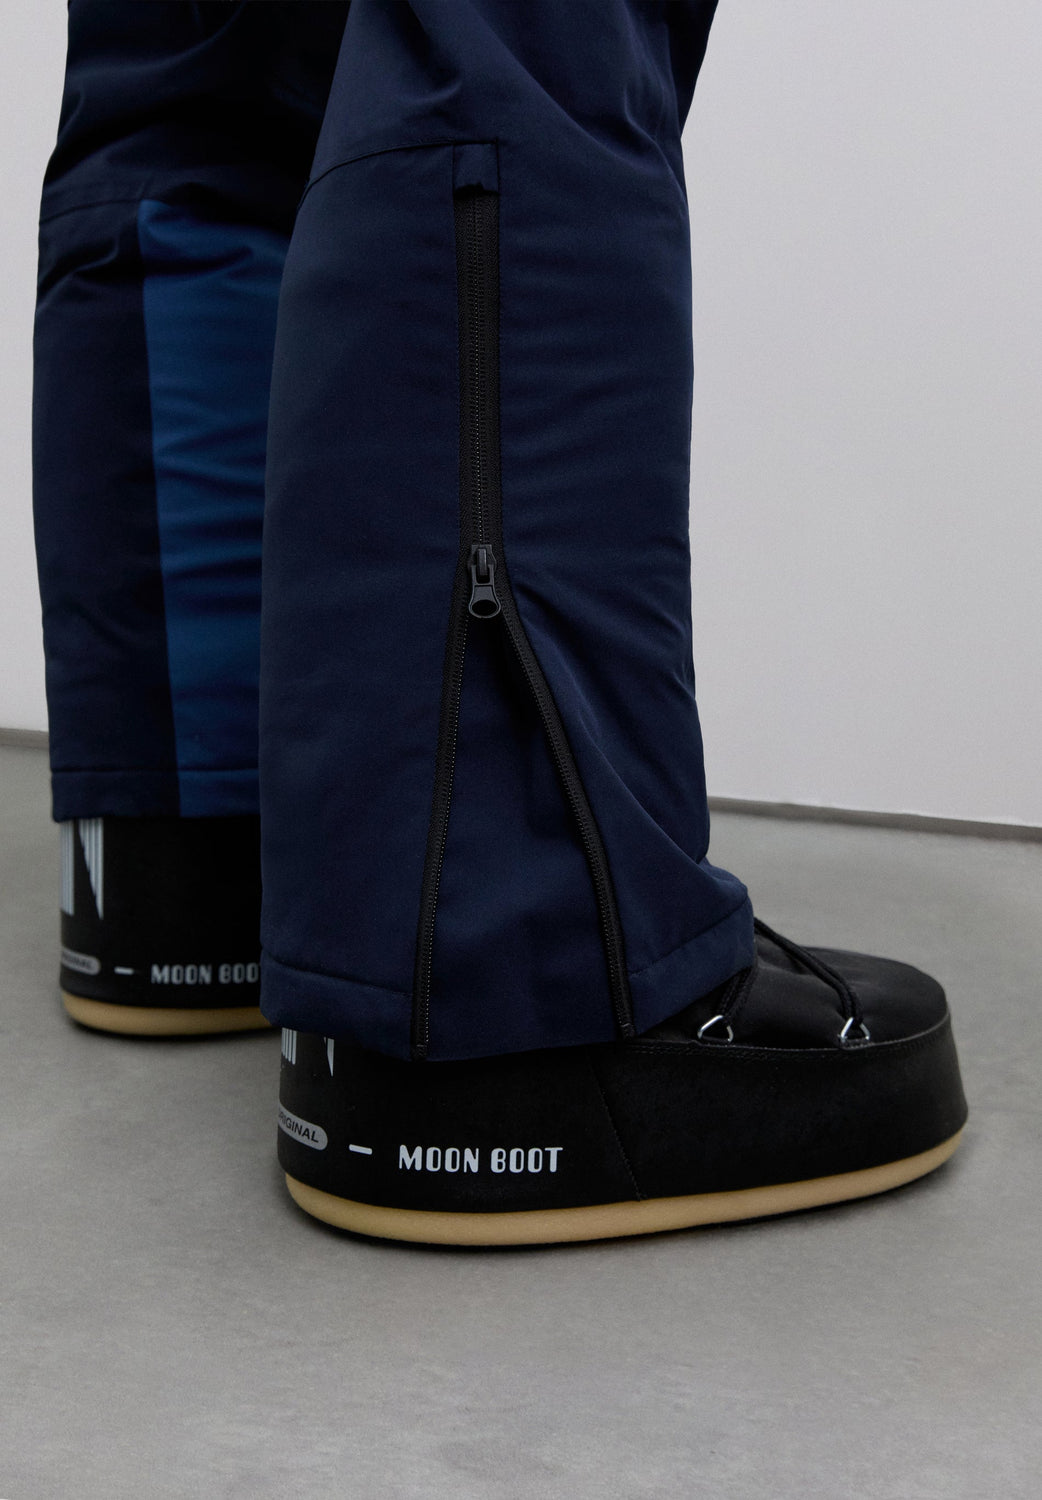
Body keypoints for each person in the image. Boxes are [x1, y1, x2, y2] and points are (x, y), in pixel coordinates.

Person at [33, 0, 966, 1245]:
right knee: (517, 38)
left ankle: (193, 833)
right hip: (505, 984)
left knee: (196, 60)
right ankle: (513, 972)